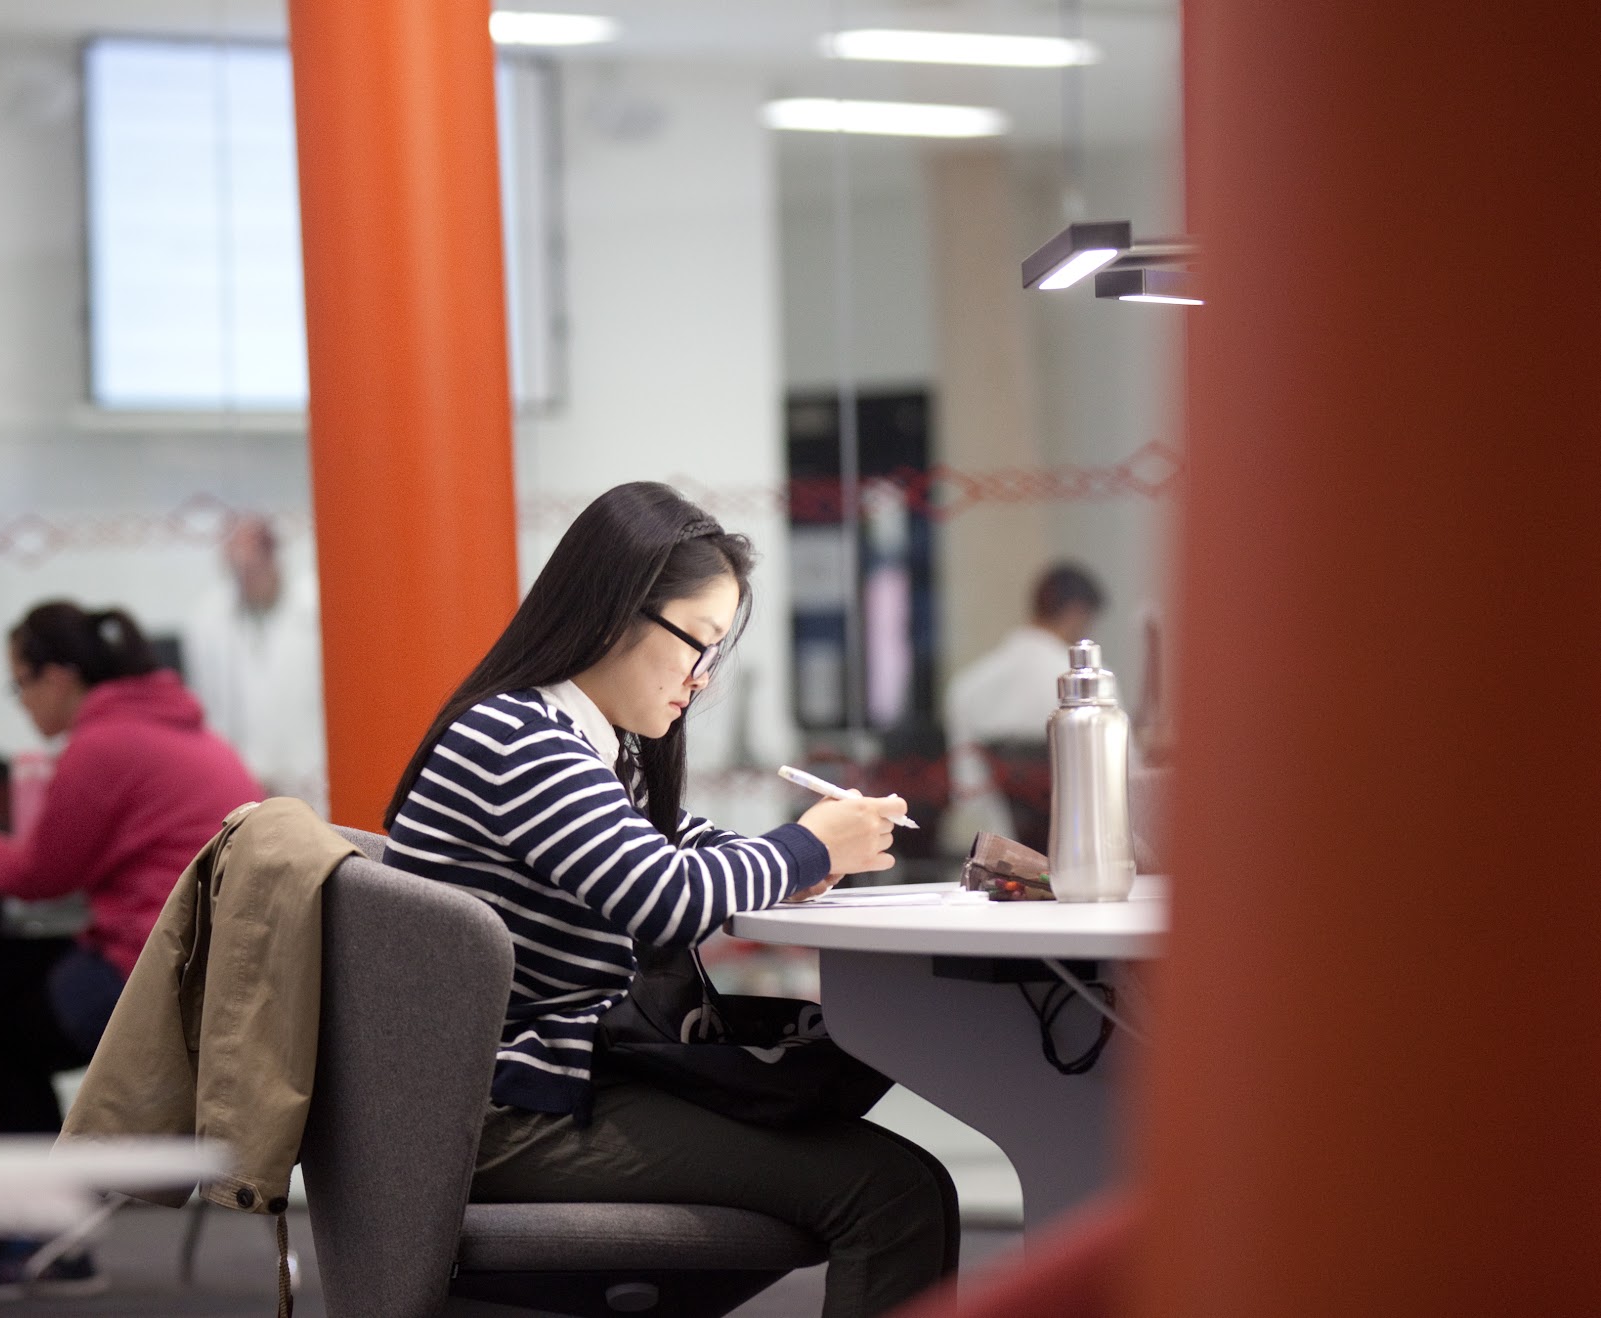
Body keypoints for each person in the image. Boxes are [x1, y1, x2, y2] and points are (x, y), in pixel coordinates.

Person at [383, 482, 959, 1318]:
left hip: (543, 1085)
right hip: (505, 1112)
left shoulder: (576, 743)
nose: (700, 679)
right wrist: (806, 847)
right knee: (895, 1190)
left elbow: (684, 847)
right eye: (697, 642)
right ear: (616, 612)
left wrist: (804, 857)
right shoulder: (515, 740)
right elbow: (664, 899)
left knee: (872, 1157)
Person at [0, 601, 261, 1299]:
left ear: (60, 676)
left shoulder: (104, 744)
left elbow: (38, 877)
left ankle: (33, 1229)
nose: (23, 702)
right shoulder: (183, 732)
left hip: (160, 982)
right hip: (208, 975)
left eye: (21, 684)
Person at [943, 562, 1106, 852]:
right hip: (1079, 848)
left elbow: (967, 789)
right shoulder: (1092, 688)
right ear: (1077, 613)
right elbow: (1115, 780)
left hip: (998, 854)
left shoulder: (967, 688)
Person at [183, 514, 327, 809]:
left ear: (272, 558)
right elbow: (208, 706)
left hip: (313, 778)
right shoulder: (209, 619)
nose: (243, 579)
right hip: (246, 783)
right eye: (235, 569)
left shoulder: (316, 609)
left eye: (251, 567)